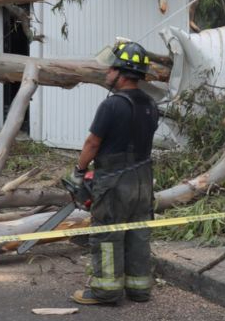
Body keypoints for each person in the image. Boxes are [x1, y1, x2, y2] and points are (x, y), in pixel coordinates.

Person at [69, 41, 160, 306]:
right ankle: (139, 289)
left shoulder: (111, 106)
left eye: (110, 69)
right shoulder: (151, 105)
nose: (106, 73)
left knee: (108, 234)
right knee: (138, 233)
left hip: (114, 182)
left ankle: (105, 292)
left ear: (121, 73)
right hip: (143, 180)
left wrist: (79, 171)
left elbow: (92, 144)